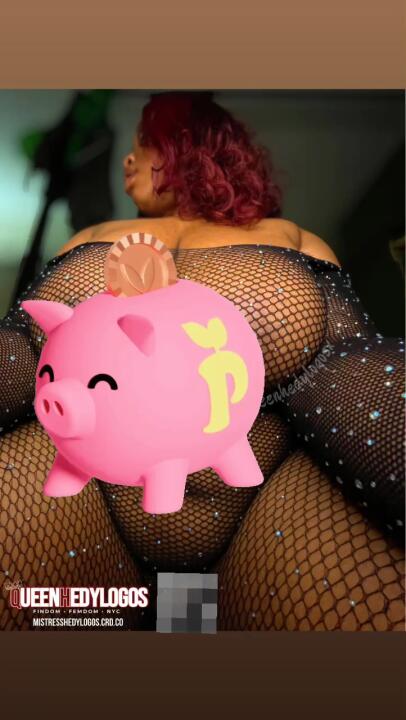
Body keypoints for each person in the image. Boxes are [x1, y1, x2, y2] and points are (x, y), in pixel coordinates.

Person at [0, 92, 404, 631]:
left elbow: (349, 367)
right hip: (87, 501)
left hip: (263, 512)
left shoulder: (290, 239)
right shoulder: (92, 238)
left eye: (145, 144)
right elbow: (22, 352)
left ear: (191, 148)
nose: (128, 158)